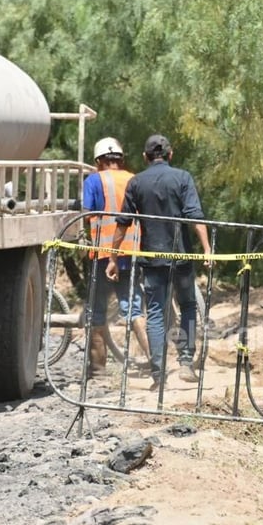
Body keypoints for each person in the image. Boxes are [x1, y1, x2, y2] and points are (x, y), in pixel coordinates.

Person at [105, 134, 212, 390]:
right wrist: (207, 249)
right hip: (182, 256)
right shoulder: (183, 178)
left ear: (145, 157)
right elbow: (195, 215)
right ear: (170, 154)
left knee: (155, 313)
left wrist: (112, 257)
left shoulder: (136, 182)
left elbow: (122, 224)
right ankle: (186, 363)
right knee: (187, 305)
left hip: (152, 259)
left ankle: (158, 375)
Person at [82, 137, 151, 378]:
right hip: (131, 253)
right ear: (120, 159)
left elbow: (87, 214)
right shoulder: (134, 179)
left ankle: (99, 370)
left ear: (99, 161)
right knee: (133, 310)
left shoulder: (93, 180)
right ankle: (155, 365)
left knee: (96, 310)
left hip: (102, 255)